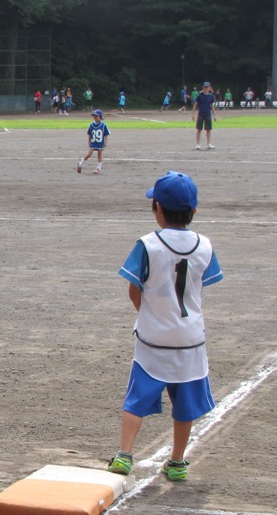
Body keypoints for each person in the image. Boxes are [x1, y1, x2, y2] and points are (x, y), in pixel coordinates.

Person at [106, 171, 223, 482]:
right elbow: (198, 286)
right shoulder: (204, 245)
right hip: (191, 339)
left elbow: (134, 289)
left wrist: (149, 314)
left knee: (137, 398)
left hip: (153, 338)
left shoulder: (148, 244)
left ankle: (125, 455)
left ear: (156, 208)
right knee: (184, 403)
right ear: (194, 211)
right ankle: (177, 461)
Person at [77, 109, 111, 174]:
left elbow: (106, 134)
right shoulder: (91, 125)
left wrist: (106, 142)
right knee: (89, 155)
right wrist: (89, 142)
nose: (94, 117)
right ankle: (80, 163)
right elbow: (89, 135)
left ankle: (98, 168)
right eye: (94, 116)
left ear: (100, 116)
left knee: (99, 155)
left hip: (100, 142)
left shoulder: (103, 125)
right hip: (93, 142)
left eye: (96, 116)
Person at [193, 81, 217, 149]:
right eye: (205, 87)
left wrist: (214, 115)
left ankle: (208, 144)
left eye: (207, 87)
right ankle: (198, 144)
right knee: (199, 129)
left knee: (208, 130)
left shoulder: (211, 96)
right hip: (201, 114)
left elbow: (212, 106)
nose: (206, 88)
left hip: (208, 114)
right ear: (203, 87)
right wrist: (193, 114)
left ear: (209, 88)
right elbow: (195, 105)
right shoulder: (199, 96)